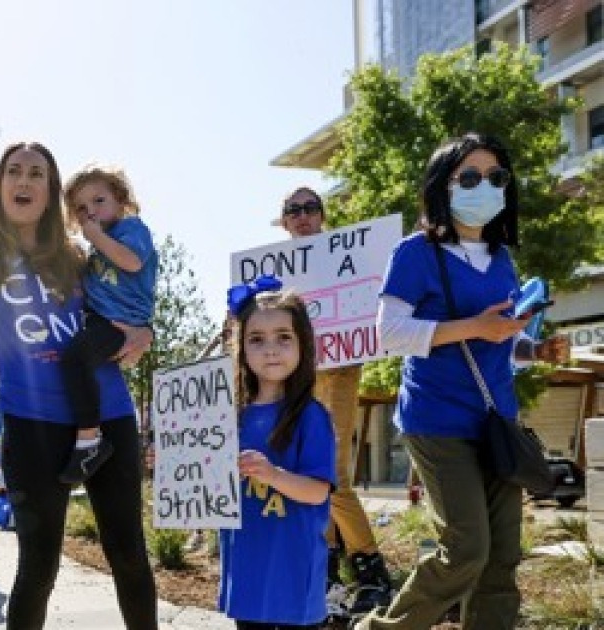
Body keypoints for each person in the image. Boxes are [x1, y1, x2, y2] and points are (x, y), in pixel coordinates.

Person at [0, 45, 156, 629]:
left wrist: (142, 328)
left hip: (109, 414)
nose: (24, 179)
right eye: (13, 170)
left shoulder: (77, 255)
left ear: (50, 192)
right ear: (0, 185)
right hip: (31, 425)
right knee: (38, 568)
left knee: (128, 556)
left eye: (37, 173)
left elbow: (130, 302)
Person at [357, 133, 569, 629]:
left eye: (496, 178)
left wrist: (534, 350)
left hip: (496, 424)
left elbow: (497, 344)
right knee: (466, 549)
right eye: (469, 177)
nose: (485, 188)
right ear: (442, 186)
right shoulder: (415, 253)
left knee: (502, 559)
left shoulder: (501, 261)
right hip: (437, 421)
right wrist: (476, 326)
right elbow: (388, 334)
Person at [276, 187, 393, 615]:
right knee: (305, 473)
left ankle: (370, 569)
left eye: (310, 208)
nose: (303, 215)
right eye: (294, 210)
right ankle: (325, 571)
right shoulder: (272, 275)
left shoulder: (349, 259)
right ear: (284, 220)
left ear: (322, 216)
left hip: (339, 371)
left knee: (331, 476)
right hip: (294, 380)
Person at [218, 277, 336, 630]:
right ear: (241, 348)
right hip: (246, 573)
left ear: (303, 344)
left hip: (293, 578)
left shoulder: (311, 417)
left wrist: (273, 475)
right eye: (256, 339)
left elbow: (318, 492)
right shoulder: (226, 417)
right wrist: (173, 465)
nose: (270, 349)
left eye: (283, 337)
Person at [58, 165, 157, 485]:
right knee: (77, 357)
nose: (92, 213)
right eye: (82, 210)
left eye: (99, 201)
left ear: (120, 198)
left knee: (74, 358)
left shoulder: (131, 229)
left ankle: (89, 439)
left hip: (122, 324)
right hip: (99, 318)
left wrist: (97, 237)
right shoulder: (96, 246)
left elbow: (131, 261)